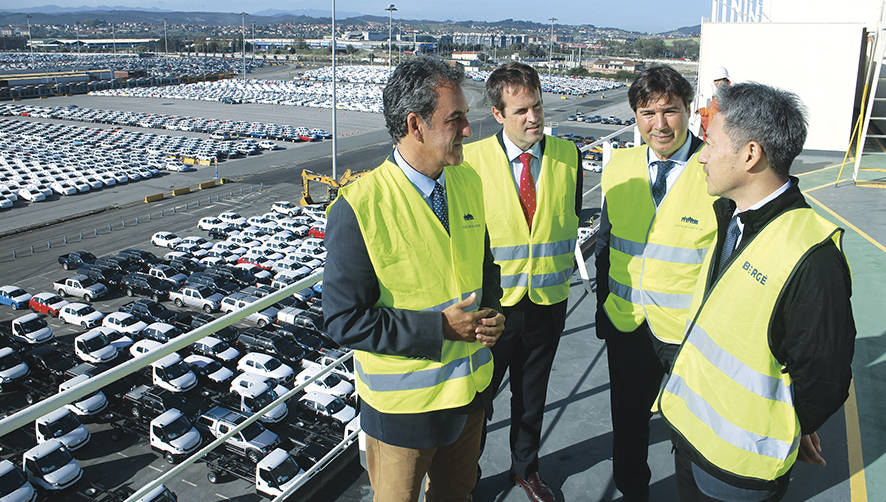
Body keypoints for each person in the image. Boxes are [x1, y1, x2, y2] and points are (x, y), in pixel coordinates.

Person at [658, 82, 856, 501]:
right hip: (691, 435)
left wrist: (784, 429)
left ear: (750, 155)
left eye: (710, 144)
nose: (702, 156)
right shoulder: (733, 215)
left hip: (739, 469)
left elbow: (826, 378)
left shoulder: (812, 257)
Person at [323, 57, 506, 502]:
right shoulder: (358, 208)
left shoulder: (467, 183)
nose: (468, 129)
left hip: (470, 396)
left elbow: (484, 271)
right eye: (455, 118)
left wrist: (495, 312)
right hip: (404, 413)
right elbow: (343, 321)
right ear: (415, 125)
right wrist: (440, 329)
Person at [594, 65, 717, 502]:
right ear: (635, 116)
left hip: (689, 332)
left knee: (693, 424)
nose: (659, 125)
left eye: (670, 111)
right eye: (647, 113)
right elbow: (607, 244)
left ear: (689, 111)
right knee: (627, 423)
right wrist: (602, 309)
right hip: (626, 323)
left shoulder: (715, 170)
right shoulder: (619, 168)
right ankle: (633, 493)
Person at [463, 62, 581, 502]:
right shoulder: (470, 163)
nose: (534, 118)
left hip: (547, 303)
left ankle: (525, 470)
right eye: (520, 112)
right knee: (478, 400)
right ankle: (465, 478)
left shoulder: (568, 157)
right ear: (497, 115)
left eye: (538, 107)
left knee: (531, 400)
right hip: (491, 310)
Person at [697, 66, 731, 141]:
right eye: (715, 81)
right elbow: (712, 110)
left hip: (719, 136)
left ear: (725, 80)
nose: (716, 83)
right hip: (711, 133)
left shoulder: (729, 96)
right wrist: (703, 111)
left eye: (718, 80)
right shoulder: (718, 96)